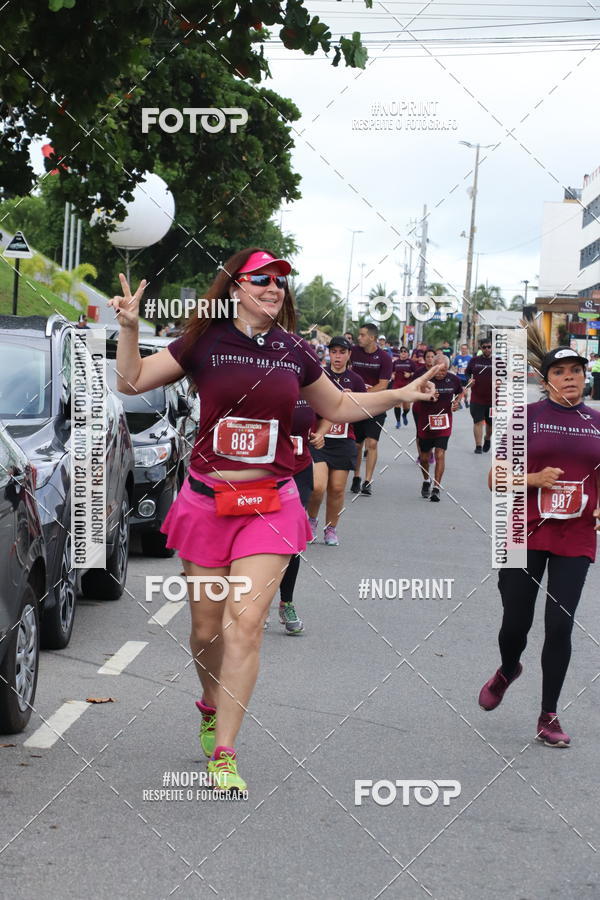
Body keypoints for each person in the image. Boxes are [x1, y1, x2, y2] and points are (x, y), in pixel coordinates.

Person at [109, 248, 441, 793]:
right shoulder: (204, 341)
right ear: (235, 287)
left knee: (247, 622)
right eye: (261, 279)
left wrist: (400, 393)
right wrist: (127, 329)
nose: (273, 288)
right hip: (206, 500)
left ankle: (225, 752)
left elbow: (337, 407)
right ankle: (211, 706)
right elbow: (132, 380)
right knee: (205, 627)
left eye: (281, 281)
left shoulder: (294, 351)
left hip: (271, 501)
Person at [479, 344, 600, 747]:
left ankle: (548, 714)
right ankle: (508, 668)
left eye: (576, 371)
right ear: (546, 379)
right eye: (561, 371)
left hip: (575, 535)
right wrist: (534, 480)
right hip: (522, 529)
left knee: (560, 625)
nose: (570, 377)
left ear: (586, 376)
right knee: (515, 622)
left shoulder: (597, 423)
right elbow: (495, 478)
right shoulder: (524, 418)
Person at [270, 395, 326, 633]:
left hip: (299, 470)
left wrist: (321, 432)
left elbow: (333, 409)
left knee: (290, 540)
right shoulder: (266, 383)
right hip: (265, 471)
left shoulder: (312, 386)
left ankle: (286, 603)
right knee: (264, 538)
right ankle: (258, 603)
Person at [307, 336, 366, 545]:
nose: (337, 356)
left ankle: (330, 529)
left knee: (338, 488)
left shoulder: (356, 381)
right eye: (334, 352)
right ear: (328, 353)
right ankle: (311, 521)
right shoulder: (319, 376)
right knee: (318, 486)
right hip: (319, 439)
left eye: (342, 352)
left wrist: (352, 402)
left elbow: (363, 412)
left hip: (343, 440)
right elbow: (307, 402)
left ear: (349, 355)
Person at [349, 323, 394, 495]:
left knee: (372, 442)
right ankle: (356, 476)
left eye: (362, 335)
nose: (359, 338)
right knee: (357, 444)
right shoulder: (353, 352)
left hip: (376, 405)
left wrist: (364, 393)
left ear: (372, 338)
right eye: (359, 335)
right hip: (356, 405)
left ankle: (368, 481)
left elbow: (383, 384)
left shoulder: (384, 358)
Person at [413, 356, 463, 501]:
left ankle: (436, 487)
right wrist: (426, 395)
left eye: (445, 370)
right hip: (426, 423)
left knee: (440, 454)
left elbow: (459, 393)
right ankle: (426, 481)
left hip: (444, 423)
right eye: (439, 370)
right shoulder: (424, 380)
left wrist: (456, 403)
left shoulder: (454, 380)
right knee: (424, 457)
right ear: (432, 367)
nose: (441, 373)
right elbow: (414, 397)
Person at [466, 338, 493, 453]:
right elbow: (467, 373)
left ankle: (487, 438)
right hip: (477, 398)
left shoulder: (499, 361)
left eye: (489, 346)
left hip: (493, 400)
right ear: (481, 348)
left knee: (490, 424)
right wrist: (469, 380)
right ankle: (478, 446)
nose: (487, 349)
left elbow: (505, 376)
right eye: (484, 347)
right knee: (477, 422)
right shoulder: (474, 360)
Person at [391, 346, 416, 428]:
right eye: (401, 351)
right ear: (399, 353)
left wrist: (410, 374)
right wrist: (392, 375)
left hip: (407, 386)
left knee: (407, 407)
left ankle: (404, 414)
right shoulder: (396, 362)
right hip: (397, 385)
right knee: (397, 404)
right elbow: (392, 371)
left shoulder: (411, 362)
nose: (403, 353)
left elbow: (416, 373)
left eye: (405, 351)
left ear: (408, 353)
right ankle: (398, 422)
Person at [452, 343, 472, 407]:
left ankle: (466, 400)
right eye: (462, 348)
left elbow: (472, 367)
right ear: (461, 349)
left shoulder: (470, 358)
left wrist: (471, 374)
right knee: (460, 390)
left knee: (465, 392)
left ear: (467, 350)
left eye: (465, 349)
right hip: (459, 377)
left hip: (466, 377)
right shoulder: (458, 357)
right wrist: (455, 370)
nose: (463, 350)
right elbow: (453, 365)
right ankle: (458, 402)